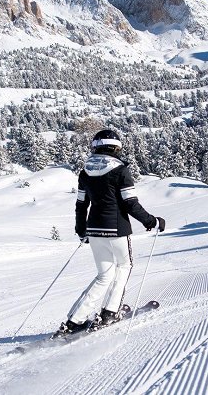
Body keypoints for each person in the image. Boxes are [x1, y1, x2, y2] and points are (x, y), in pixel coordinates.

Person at [55, 130, 165, 337]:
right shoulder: (120, 170)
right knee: (124, 266)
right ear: (116, 147)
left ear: (96, 147)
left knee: (104, 275)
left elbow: (81, 205)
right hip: (117, 229)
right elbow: (130, 203)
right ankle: (110, 312)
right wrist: (152, 221)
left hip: (94, 229)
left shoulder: (85, 172)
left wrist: (81, 230)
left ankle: (75, 321)